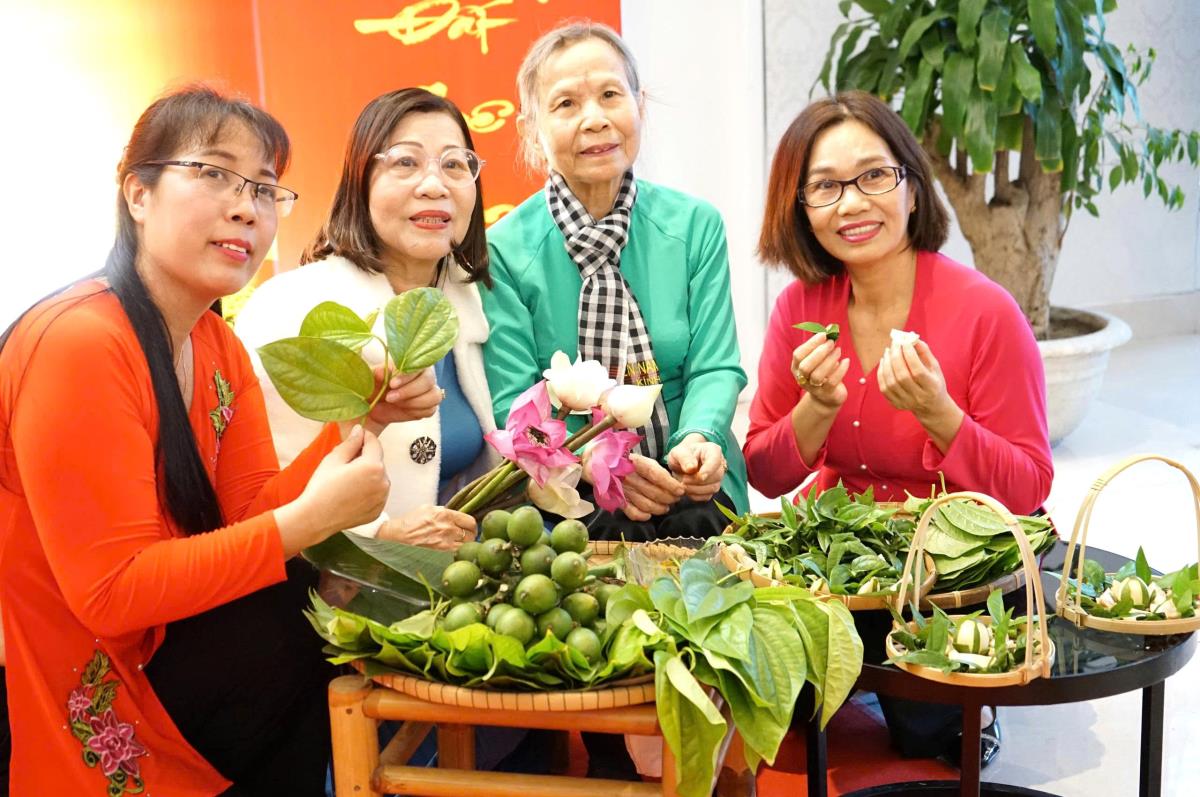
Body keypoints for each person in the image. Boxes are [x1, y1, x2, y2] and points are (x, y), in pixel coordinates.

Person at [0, 85, 430, 796]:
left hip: (177, 657)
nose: (246, 208)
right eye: (214, 174)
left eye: (263, 188)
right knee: (301, 603)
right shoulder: (79, 342)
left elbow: (247, 515)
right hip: (102, 686)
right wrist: (311, 521)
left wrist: (362, 419)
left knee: (314, 597)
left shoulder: (216, 343)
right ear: (138, 193)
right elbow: (111, 592)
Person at [746, 90, 1054, 767]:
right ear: (800, 210)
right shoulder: (800, 306)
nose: (852, 204)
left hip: (952, 565)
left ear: (912, 189)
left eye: (874, 176)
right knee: (780, 714)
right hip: (839, 562)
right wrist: (816, 407)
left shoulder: (986, 312)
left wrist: (940, 414)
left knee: (931, 736)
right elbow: (764, 472)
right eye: (825, 187)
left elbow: (1029, 487)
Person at [483, 21, 747, 544]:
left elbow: (716, 366)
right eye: (566, 104)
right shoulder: (502, 252)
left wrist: (701, 438)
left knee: (701, 531)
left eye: (610, 95)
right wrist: (595, 462)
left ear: (639, 105)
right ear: (531, 128)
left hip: (693, 478)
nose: (595, 119)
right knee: (598, 538)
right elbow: (514, 403)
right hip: (569, 486)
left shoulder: (695, 225)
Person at [236, 87, 497, 549]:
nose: (434, 185)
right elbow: (266, 488)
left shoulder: (482, 302)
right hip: (338, 582)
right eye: (406, 162)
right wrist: (381, 539)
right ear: (361, 181)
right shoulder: (288, 305)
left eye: (455, 165)